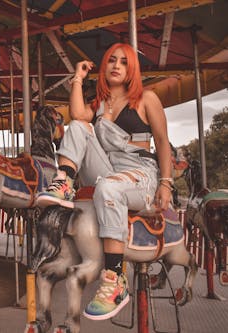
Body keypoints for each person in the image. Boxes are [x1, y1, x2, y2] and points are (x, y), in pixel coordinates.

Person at [36, 43, 173, 320]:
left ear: (131, 69)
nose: (116, 66)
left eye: (123, 62)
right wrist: (78, 77)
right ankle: (64, 182)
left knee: (108, 187)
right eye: (111, 60)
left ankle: (115, 280)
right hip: (108, 170)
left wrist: (166, 182)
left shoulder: (147, 99)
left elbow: (161, 142)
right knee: (77, 127)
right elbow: (76, 116)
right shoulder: (99, 104)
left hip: (140, 173)